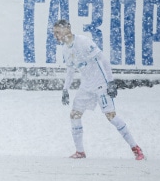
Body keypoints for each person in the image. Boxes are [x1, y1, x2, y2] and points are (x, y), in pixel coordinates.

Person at [54, 19, 144, 161]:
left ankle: (136, 148)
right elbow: (70, 71)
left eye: (57, 32)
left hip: (100, 83)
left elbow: (103, 60)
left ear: (67, 29)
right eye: (54, 33)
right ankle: (80, 152)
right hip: (86, 86)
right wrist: (65, 89)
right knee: (75, 115)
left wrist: (111, 82)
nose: (56, 35)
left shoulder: (83, 41)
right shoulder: (65, 50)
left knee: (111, 116)